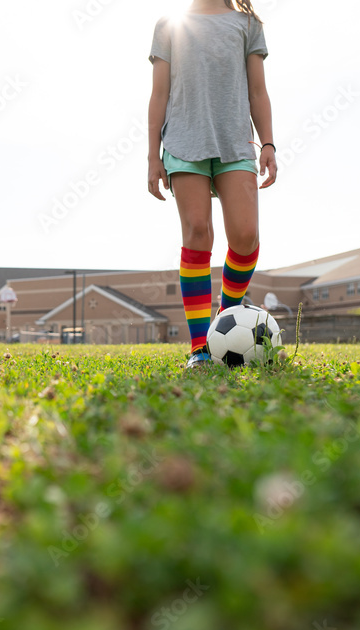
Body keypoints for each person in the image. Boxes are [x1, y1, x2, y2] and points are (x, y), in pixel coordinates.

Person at [147, 0, 276, 368]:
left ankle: (228, 314)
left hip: (235, 142)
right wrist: (152, 156)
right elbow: (159, 95)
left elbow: (257, 92)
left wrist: (267, 143)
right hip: (184, 141)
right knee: (198, 232)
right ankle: (200, 348)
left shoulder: (247, 24)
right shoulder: (169, 25)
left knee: (246, 235)